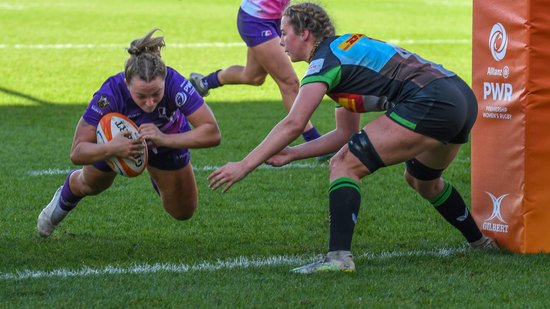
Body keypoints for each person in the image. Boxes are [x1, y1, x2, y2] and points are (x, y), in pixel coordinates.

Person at [207, 3, 498, 273]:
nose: (280, 41)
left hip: (432, 101)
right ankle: (481, 242)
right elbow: (344, 134)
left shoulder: (324, 63)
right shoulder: (342, 51)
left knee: (344, 164)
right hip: (458, 96)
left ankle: (338, 258)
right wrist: (294, 153)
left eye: (284, 33)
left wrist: (245, 165)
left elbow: (294, 122)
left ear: (304, 33)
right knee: (423, 181)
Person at [37, 29, 221, 238]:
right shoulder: (110, 94)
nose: (149, 102)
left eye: (156, 94)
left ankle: (154, 167)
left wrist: (164, 139)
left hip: (167, 139)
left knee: (182, 212)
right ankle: (63, 199)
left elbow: (212, 132)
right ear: (127, 83)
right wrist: (111, 147)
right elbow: (77, 152)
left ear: (165, 80)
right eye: (141, 96)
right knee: (92, 185)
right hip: (114, 142)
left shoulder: (175, 84)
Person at [189, 0, 326, 149]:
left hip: (280, 16)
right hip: (257, 19)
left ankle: (204, 83)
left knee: (253, 77)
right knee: (289, 82)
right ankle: (314, 141)